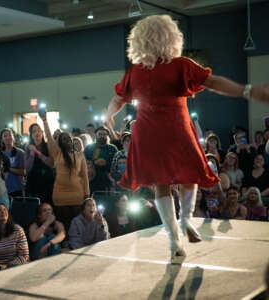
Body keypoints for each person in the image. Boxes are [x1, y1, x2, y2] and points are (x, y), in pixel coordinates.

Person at [105, 15, 269, 261]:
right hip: (176, 129)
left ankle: (174, 240)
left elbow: (117, 99)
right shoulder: (180, 64)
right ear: (171, 37)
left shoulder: (135, 72)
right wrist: (246, 90)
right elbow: (213, 82)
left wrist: (108, 116)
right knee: (189, 176)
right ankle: (185, 220)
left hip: (148, 134)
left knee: (160, 184)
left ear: (139, 41)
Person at [41, 114, 89, 231]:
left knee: (78, 224)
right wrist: (44, 120)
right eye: (63, 139)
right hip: (60, 195)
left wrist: (86, 193)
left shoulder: (79, 155)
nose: (66, 140)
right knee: (64, 224)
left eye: (68, 138)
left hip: (77, 194)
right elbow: (49, 137)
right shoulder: (57, 153)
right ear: (60, 143)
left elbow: (84, 176)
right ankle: (65, 244)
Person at [24, 123, 54, 204]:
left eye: (39, 131)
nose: (37, 133)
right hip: (33, 182)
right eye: (34, 131)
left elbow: (51, 164)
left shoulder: (47, 146)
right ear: (31, 135)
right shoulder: (28, 147)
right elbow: (28, 168)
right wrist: (32, 153)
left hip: (47, 182)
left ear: (42, 132)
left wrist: (37, 152)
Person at [84, 126, 118, 191]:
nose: (102, 136)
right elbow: (84, 163)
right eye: (100, 134)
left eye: (104, 134)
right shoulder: (89, 148)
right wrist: (93, 163)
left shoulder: (112, 148)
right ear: (95, 135)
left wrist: (106, 163)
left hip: (108, 180)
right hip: (91, 180)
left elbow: (117, 164)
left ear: (107, 136)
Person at [0, 128, 25, 198]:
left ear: (13, 137)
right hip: (2, 189)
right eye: (5, 136)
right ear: (2, 139)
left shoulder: (20, 153)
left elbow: (24, 172)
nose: (8, 138)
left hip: (17, 188)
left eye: (10, 135)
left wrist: (8, 168)